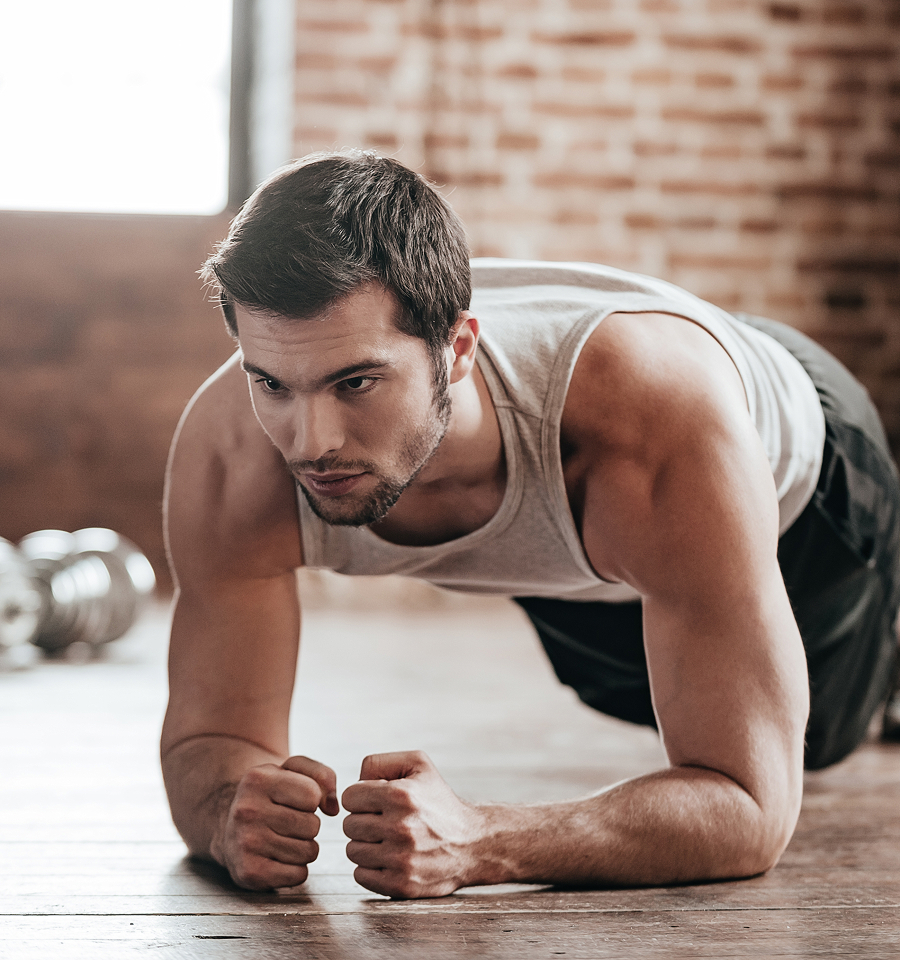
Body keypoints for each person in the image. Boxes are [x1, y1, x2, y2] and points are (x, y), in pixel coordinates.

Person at [161, 150, 900, 900]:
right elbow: (207, 741)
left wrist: (482, 840)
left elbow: (748, 809)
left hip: (808, 482)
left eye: (356, 382)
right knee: (613, 686)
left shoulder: (649, 430)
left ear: (455, 352)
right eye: (272, 383)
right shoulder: (230, 455)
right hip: (588, 555)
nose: (310, 440)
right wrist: (230, 814)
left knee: (825, 733)